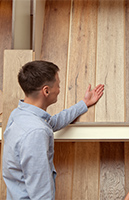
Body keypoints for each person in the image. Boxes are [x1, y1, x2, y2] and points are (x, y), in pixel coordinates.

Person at [2, 60, 104, 199]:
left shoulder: (19, 115)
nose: (59, 89)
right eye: (58, 85)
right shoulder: (36, 133)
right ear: (46, 91)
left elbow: (52, 122)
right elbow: (41, 194)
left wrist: (84, 104)